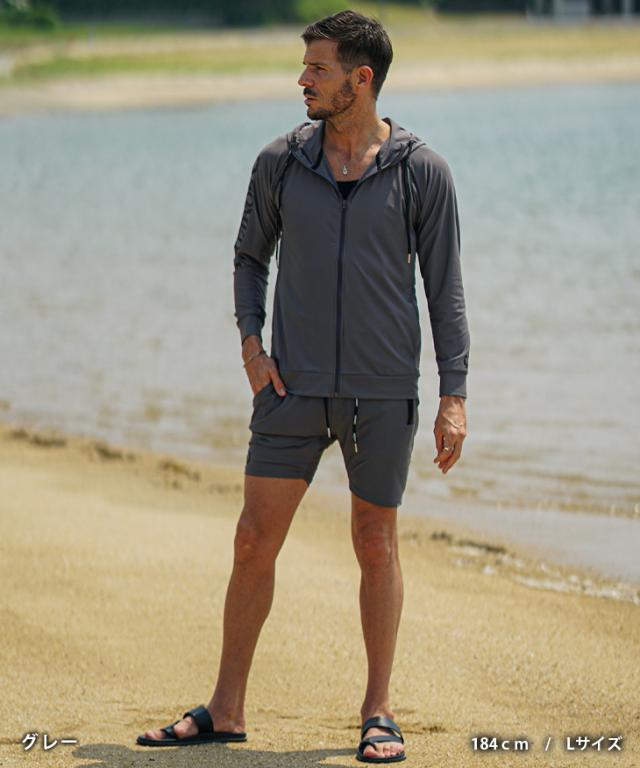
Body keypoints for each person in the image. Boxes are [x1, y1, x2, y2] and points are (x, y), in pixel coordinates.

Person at [137, 9, 470, 764]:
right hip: (291, 388)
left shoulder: (422, 171)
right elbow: (249, 257)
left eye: (318, 69)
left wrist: (454, 395)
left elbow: (444, 290)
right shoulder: (281, 162)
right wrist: (252, 346)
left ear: (362, 78)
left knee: (375, 543)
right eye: (305, 67)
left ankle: (378, 711)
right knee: (252, 540)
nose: (302, 81)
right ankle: (226, 708)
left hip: (382, 391)